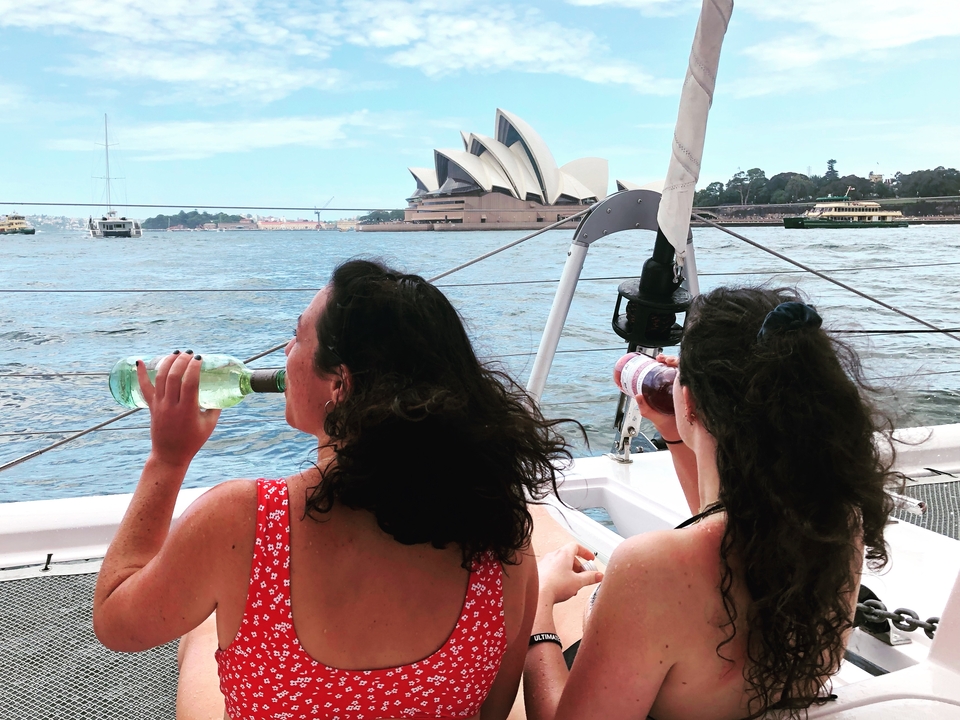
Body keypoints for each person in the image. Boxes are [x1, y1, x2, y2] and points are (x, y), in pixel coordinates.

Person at [93, 259, 577, 720]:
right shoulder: (504, 536)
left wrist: (168, 458)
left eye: (297, 336)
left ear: (340, 384)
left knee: (201, 631)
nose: (285, 352)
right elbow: (489, 710)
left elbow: (115, 621)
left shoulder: (240, 521)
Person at [524, 287, 896, 720]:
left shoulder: (650, 569)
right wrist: (676, 429)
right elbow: (721, 519)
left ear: (694, 401)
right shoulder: (835, 519)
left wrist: (538, 611)